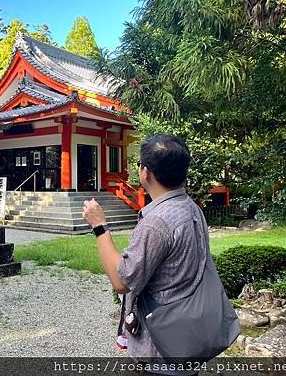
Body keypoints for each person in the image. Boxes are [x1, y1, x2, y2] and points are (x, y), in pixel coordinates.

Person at [82, 135, 236, 373]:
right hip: (188, 333)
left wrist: (99, 227)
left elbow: (122, 281)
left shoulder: (156, 222)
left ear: (145, 172)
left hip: (161, 348)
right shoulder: (191, 207)